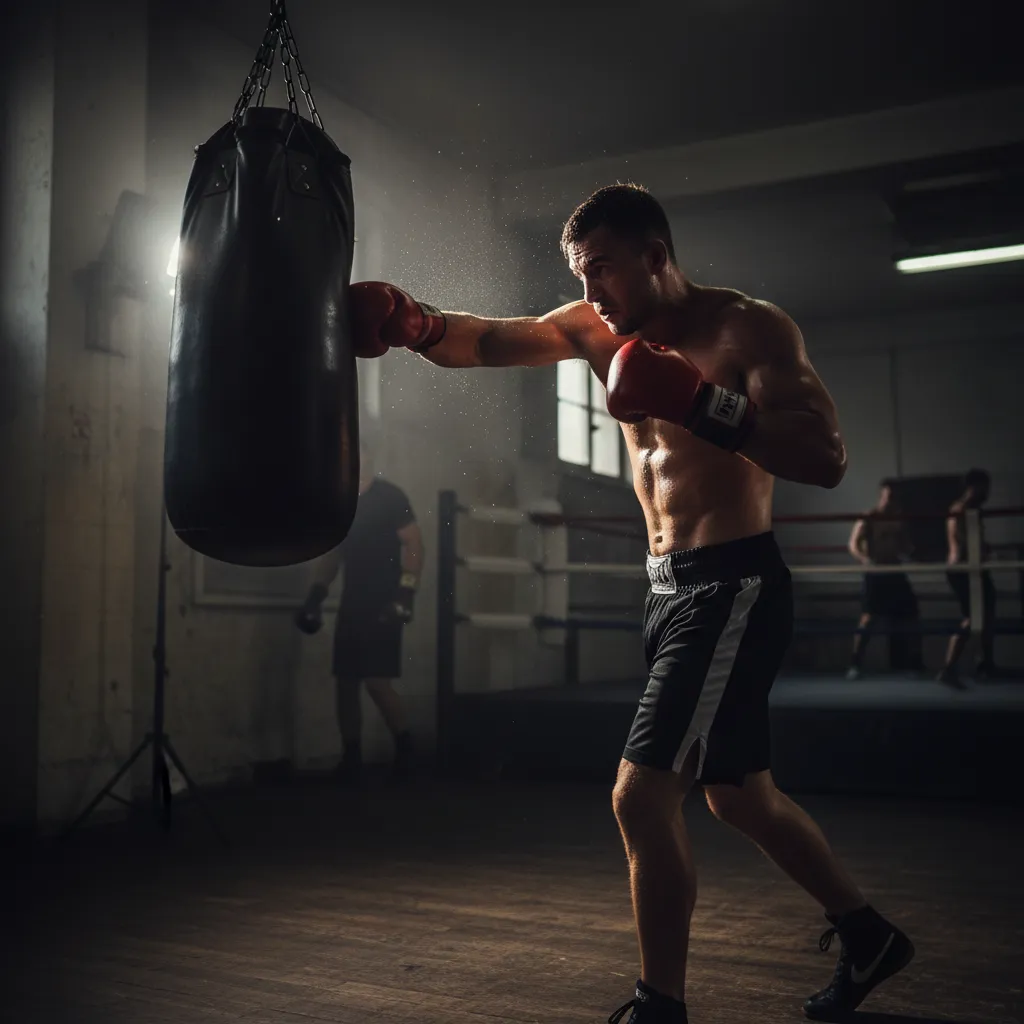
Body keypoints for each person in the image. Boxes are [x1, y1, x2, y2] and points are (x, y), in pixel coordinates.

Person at [346, 183, 913, 1023]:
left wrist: (701, 403)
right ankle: (868, 937)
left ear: (656, 257)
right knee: (737, 796)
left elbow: (824, 456)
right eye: (580, 274)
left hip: (733, 584)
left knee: (640, 797)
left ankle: (659, 1005)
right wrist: (417, 327)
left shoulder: (749, 329)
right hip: (667, 590)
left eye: (602, 270)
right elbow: (496, 341)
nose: (589, 292)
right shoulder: (593, 327)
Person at [296, 439, 422, 783]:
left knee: (377, 683)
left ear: (369, 456)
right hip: (353, 602)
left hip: (385, 601)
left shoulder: (390, 497)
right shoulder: (341, 502)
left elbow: (413, 542)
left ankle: (407, 750)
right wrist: (316, 596)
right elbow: (333, 554)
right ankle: (351, 757)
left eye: (358, 453)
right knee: (346, 682)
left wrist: (406, 592)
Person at [846, 481, 922, 680]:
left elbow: (905, 545)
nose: (890, 500)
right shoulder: (869, 517)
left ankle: (914, 663)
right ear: (881, 495)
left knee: (910, 615)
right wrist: (865, 560)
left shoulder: (899, 520)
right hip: (875, 572)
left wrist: (913, 553)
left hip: (895, 570)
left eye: (893, 496)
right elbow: (853, 544)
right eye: (887, 496)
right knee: (868, 618)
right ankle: (855, 663)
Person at [938, 468, 999, 687]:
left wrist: (983, 548)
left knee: (988, 614)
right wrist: (975, 552)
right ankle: (948, 668)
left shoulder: (972, 510)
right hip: (963, 570)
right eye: (986, 487)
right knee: (972, 618)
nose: (988, 492)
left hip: (975, 568)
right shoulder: (960, 509)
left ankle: (986, 664)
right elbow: (959, 544)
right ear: (975, 486)